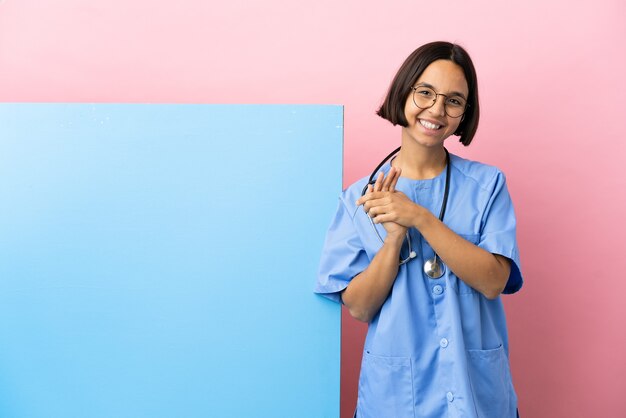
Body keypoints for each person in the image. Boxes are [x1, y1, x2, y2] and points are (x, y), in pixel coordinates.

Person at [315, 41, 523, 418]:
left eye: (454, 101)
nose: (437, 110)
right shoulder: (359, 199)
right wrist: (394, 239)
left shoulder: (487, 185)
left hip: (474, 389)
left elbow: (494, 281)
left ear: (464, 113)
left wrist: (419, 218)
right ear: (404, 92)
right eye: (425, 93)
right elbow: (359, 307)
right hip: (397, 396)